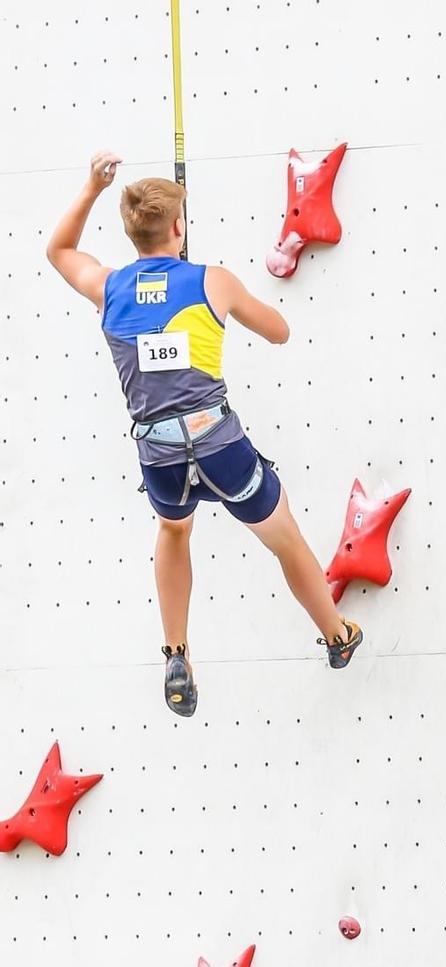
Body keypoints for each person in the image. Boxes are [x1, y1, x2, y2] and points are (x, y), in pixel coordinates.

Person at [45, 151, 363, 717]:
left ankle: (176, 652)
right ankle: (337, 635)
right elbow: (280, 333)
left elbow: (60, 251)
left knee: (173, 531)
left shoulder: (110, 287)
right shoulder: (211, 281)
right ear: (177, 228)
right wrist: (217, 304)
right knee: (283, 536)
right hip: (220, 445)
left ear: (132, 232)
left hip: (159, 453)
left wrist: (93, 186)